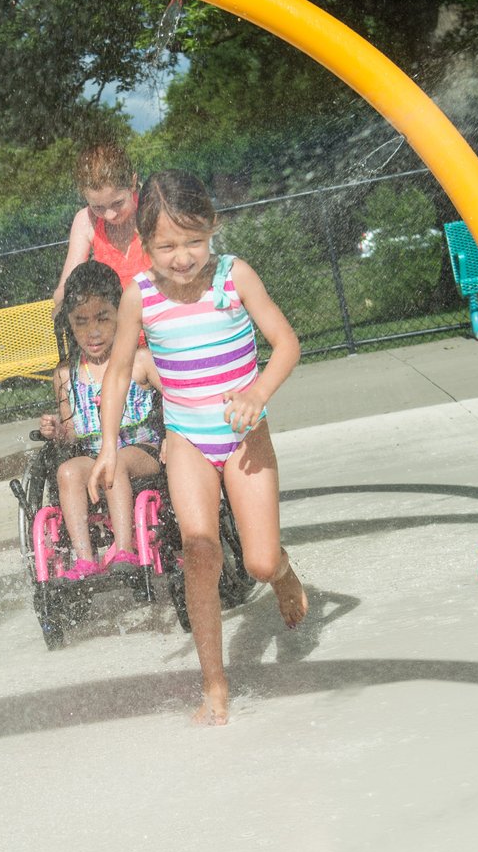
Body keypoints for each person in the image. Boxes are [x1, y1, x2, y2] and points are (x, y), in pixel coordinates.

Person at [91, 170, 308, 725]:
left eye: (193, 240)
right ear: (145, 245)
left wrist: (258, 391)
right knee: (201, 550)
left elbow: (286, 344)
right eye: (166, 246)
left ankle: (282, 573)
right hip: (185, 437)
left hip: (243, 435)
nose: (182, 257)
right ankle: (214, 684)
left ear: (212, 228)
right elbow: (117, 374)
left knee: (257, 560)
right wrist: (108, 447)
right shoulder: (139, 296)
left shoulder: (235, 277)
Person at [39, 261, 164, 580]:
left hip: (141, 452)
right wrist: (56, 429)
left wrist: (175, 439)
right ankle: (84, 559)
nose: (92, 331)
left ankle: (124, 549)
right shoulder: (66, 375)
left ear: (120, 316)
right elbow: (70, 435)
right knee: (67, 471)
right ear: (69, 323)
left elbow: (177, 400)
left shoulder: (139, 363)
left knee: (115, 462)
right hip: (93, 457)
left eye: (102, 319)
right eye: (80, 322)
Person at [51, 140, 150, 306]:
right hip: (115, 327)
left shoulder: (150, 211)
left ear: (132, 183)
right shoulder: (86, 221)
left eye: (117, 203)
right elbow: (62, 292)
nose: (110, 215)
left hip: (156, 320)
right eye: (98, 207)